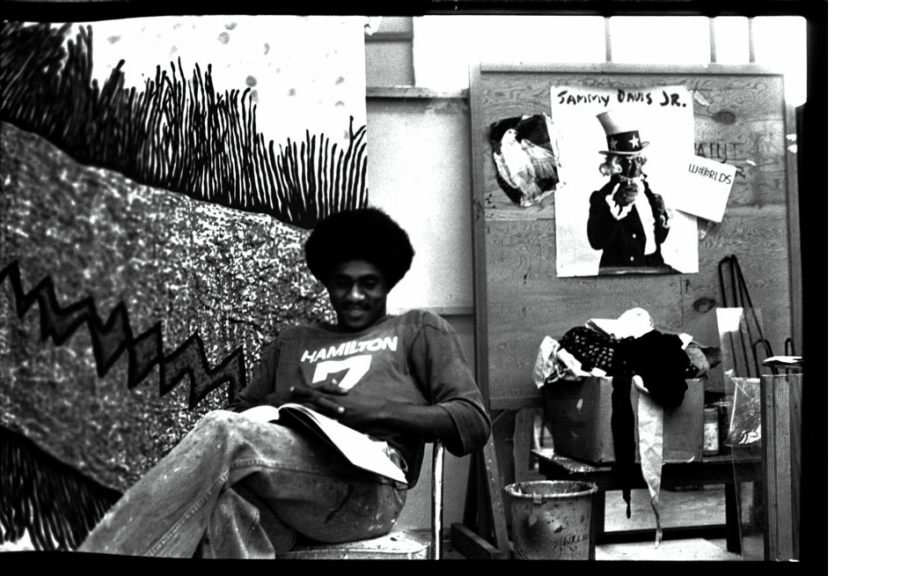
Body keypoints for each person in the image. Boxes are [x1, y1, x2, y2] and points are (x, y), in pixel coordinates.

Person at [77, 207, 491, 558]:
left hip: (368, 490)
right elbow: (245, 415)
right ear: (327, 284)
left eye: (369, 284)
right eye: (342, 283)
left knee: (223, 430)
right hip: (289, 493)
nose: (354, 295)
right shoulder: (292, 342)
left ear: (388, 283)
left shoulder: (418, 329)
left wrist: (367, 412)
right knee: (227, 507)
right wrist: (285, 404)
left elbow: (472, 421)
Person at [586, 110, 673, 271]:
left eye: (638, 160)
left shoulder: (647, 191)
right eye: (628, 161)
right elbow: (596, 242)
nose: (635, 167)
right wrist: (615, 209)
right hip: (624, 271)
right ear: (615, 164)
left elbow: (659, 239)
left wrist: (661, 214)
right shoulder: (604, 196)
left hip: (654, 265)